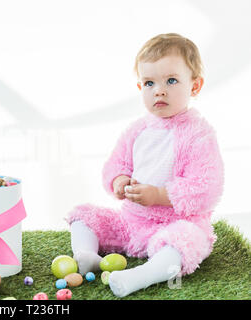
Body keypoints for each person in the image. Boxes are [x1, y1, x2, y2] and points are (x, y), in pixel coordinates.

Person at [66, 33, 224, 297]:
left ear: (194, 86)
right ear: (141, 88)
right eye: (149, 82)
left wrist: (160, 195)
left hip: (174, 223)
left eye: (171, 80)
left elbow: (206, 187)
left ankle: (142, 275)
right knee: (84, 215)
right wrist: (119, 181)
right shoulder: (137, 130)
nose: (159, 90)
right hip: (131, 223)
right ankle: (86, 256)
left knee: (187, 240)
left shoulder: (199, 134)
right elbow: (117, 164)